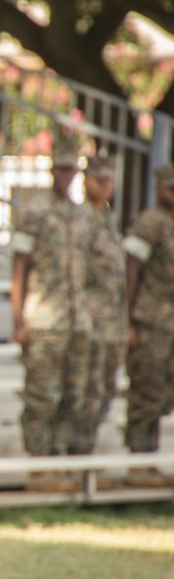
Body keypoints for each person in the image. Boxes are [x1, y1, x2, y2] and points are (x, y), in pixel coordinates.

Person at [9, 135, 95, 490]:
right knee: (42, 396)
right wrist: (18, 320)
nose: (67, 174)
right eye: (61, 168)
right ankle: (39, 467)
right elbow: (19, 269)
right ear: (51, 169)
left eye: (72, 168)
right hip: (43, 320)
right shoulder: (34, 213)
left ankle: (59, 462)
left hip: (78, 320)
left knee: (72, 395)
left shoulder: (85, 215)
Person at [121, 164, 174, 487]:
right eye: (169, 187)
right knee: (146, 390)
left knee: (163, 393)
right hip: (151, 322)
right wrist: (127, 321)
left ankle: (149, 459)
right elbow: (130, 271)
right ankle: (139, 461)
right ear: (158, 189)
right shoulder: (149, 222)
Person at [73, 153, 126, 455]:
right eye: (99, 179)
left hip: (111, 323)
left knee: (105, 389)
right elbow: (76, 272)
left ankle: (86, 455)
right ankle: (78, 454)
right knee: (87, 391)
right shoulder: (81, 219)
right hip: (91, 319)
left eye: (109, 179)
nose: (105, 185)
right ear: (87, 180)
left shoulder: (108, 217)